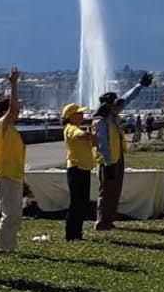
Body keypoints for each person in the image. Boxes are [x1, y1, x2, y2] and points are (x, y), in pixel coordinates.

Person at [92, 72, 153, 231]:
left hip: (118, 158)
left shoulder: (113, 116)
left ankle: (109, 219)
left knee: (115, 191)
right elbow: (103, 143)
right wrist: (107, 162)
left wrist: (140, 85)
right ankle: (102, 221)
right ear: (108, 106)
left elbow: (127, 98)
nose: (118, 105)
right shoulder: (101, 121)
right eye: (114, 103)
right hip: (108, 161)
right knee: (106, 192)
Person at [0, 68, 25, 254]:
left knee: (15, 215)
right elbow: (13, 108)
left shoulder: (10, 129)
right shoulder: (1, 125)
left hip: (14, 175)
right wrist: (14, 84)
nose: (18, 113)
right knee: (10, 214)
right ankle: (1, 247)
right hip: (5, 175)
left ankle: (8, 246)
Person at [61, 102, 94, 241]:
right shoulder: (71, 128)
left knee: (82, 202)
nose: (82, 116)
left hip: (84, 167)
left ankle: (77, 233)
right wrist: (92, 134)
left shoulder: (75, 127)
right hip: (76, 168)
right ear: (71, 116)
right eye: (79, 113)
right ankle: (71, 234)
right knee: (76, 203)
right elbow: (80, 135)